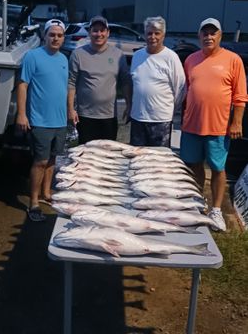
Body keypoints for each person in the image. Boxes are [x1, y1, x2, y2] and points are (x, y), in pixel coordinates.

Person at [180, 17, 248, 231]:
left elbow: (240, 96)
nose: (208, 36)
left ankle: (216, 210)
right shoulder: (190, 59)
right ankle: (197, 202)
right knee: (193, 165)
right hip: (191, 125)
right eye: (205, 33)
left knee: (218, 169)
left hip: (219, 127)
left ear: (220, 35)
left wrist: (236, 122)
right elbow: (187, 90)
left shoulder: (233, 60)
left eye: (213, 33)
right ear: (199, 35)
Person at [16, 19, 68, 222]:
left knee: (53, 159)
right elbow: (22, 85)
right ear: (45, 36)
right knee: (40, 161)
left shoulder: (64, 59)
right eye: (52, 34)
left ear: (63, 38)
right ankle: (34, 202)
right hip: (40, 121)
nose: (55, 38)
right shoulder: (32, 56)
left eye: (59, 35)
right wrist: (22, 114)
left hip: (60, 121)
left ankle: (47, 194)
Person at [68, 15, 130, 144]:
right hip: (85, 116)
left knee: (107, 156)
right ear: (89, 32)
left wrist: (129, 105)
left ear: (108, 33)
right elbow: (71, 83)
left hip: (109, 117)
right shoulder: (78, 54)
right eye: (95, 30)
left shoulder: (118, 55)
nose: (99, 34)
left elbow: (125, 82)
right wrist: (70, 109)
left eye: (102, 30)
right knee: (86, 156)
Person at [128, 16, 186, 147]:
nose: (152, 37)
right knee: (137, 160)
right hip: (138, 118)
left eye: (157, 33)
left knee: (159, 162)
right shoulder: (137, 56)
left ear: (163, 35)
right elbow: (134, 84)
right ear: (144, 34)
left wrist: (169, 109)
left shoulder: (171, 57)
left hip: (161, 120)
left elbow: (181, 89)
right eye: (149, 33)